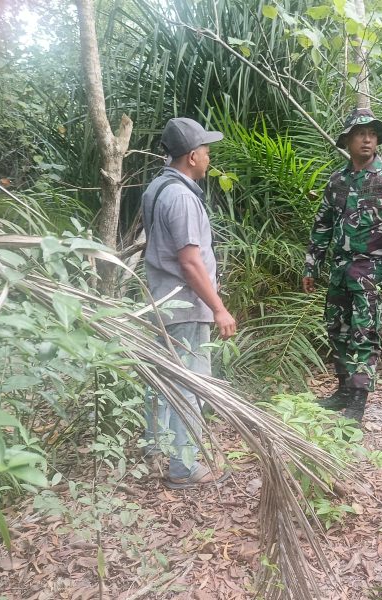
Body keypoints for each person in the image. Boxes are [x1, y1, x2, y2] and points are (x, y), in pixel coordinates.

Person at [141, 117, 237, 488]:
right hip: (185, 305)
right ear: (192, 157)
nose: (210, 157)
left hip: (163, 302)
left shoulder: (157, 188)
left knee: (163, 380)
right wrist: (218, 308)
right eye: (206, 151)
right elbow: (190, 261)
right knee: (189, 385)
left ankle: (155, 450)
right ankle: (183, 468)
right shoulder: (181, 197)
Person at [302, 108, 382, 422]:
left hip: (372, 271)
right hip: (340, 271)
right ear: (347, 141)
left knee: (364, 334)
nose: (367, 140)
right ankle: (342, 391)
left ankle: (357, 403)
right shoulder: (337, 180)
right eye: (360, 134)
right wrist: (311, 265)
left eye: (372, 134)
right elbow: (322, 224)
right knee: (337, 330)